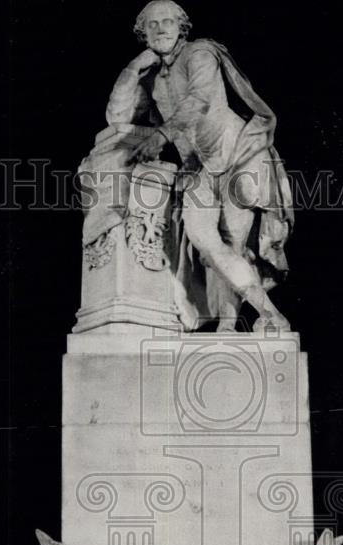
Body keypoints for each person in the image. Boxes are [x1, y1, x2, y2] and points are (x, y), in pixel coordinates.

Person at [105, 0, 293, 332]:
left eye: (167, 22)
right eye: (151, 24)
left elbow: (199, 100)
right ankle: (271, 315)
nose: (160, 28)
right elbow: (118, 117)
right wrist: (133, 70)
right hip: (198, 167)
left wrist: (161, 137)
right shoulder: (151, 77)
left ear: (182, 27)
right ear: (142, 33)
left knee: (231, 242)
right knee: (204, 239)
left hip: (237, 152)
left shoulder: (200, 53)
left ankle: (228, 323)